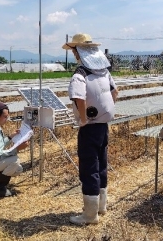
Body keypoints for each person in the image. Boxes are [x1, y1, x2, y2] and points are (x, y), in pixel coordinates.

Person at [62, 33, 119, 225]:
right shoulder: (104, 72)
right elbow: (115, 92)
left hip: (90, 128)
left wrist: (84, 120)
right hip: (103, 126)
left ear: (78, 52)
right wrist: (106, 110)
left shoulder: (80, 74)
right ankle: (101, 205)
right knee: (101, 164)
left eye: (75, 51)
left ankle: (90, 215)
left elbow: (79, 98)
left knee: (89, 168)